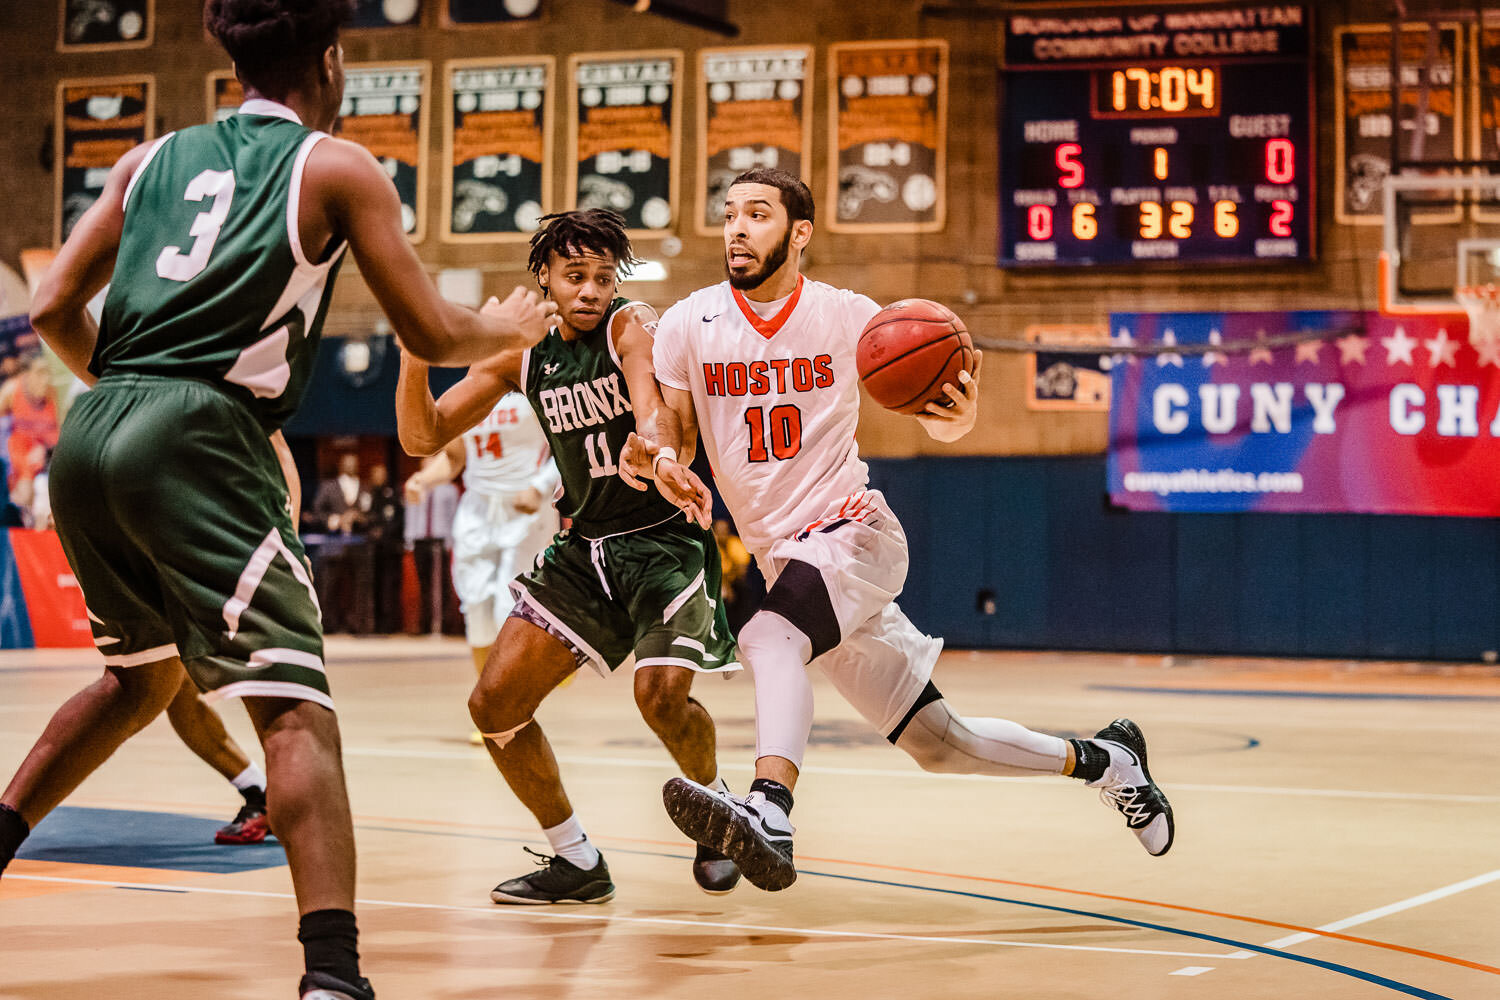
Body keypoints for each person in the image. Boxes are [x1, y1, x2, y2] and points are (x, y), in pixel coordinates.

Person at [0, 2, 556, 998]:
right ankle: (333, 975)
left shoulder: (149, 158)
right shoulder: (338, 167)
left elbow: (48, 308)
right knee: (294, 708)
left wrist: (130, 396)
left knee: (138, 680)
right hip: (202, 430)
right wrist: (504, 326)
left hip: (94, 427)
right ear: (331, 61)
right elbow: (431, 332)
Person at [621, 168, 1175, 893]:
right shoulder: (690, 323)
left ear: (800, 232)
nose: (737, 228)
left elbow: (942, 412)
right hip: (785, 559)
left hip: (851, 531)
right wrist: (659, 457)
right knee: (943, 745)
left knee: (766, 637)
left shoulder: (848, 315)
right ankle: (1110, 760)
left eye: (757, 214)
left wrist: (962, 418)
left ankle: (770, 809)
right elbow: (677, 432)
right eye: (729, 214)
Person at [395, 208, 741, 904]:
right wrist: (413, 356)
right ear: (545, 278)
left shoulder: (628, 327)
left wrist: (659, 449)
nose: (590, 291)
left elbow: (649, 400)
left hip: (660, 538)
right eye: (575, 276)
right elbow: (421, 436)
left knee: (660, 699)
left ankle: (717, 812)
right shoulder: (521, 352)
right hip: (584, 549)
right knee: (494, 707)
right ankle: (576, 859)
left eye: (602, 278)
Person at [403, 392, 560, 742]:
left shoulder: (531, 383)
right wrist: (425, 480)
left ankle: (512, 707)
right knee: (476, 608)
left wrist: (540, 486)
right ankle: (492, 703)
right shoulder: (466, 392)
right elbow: (455, 456)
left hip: (525, 507)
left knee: (511, 607)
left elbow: (568, 445)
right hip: (477, 508)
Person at [0, 354, 61, 518]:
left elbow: (62, 435)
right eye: (40, 373)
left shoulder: (51, 393)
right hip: (19, 456)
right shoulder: (11, 390)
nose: (46, 378)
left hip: (47, 456)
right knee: (26, 492)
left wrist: (46, 450)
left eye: (47, 372)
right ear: (26, 374)